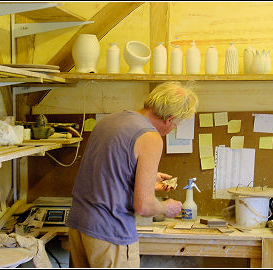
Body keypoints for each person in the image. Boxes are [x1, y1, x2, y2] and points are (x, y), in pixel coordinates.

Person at [66, 81, 199, 268]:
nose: (172, 130)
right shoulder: (150, 137)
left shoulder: (110, 120)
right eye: (175, 125)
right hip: (110, 232)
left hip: (79, 225)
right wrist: (165, 208)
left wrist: (147, 179)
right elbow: (143, 206)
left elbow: (105, 173)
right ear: (169, 119)